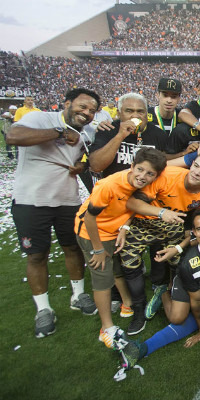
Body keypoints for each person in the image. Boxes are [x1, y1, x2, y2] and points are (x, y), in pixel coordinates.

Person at [8, 87, 101, 338]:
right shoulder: (40, 118)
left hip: (67, 199)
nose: (87, 113)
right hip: (31, 199)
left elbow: (86, 161)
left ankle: (78, 294)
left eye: (92, 111)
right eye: (82, 107)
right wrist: (60, 132)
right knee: (37, 255)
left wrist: (81, 164)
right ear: (67, 103)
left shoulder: (87, 134)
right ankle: (43, 309)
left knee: (72, 248)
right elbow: (13, 136)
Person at [120, 152, 200, 335]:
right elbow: (132, 203)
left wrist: (177, 247)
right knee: (129, 262)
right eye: (196, 166)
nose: (197, 172)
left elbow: (196, 229)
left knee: (178, 262)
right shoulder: (168, 175)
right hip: (143, 222)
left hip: (173, 226)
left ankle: (167, 291)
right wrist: (159, 213)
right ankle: (138, 309)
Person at [75, 148, 167, 348]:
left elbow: (132, 208)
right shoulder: (109, 185)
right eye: (140, 170)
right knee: (102, 278)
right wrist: (98, 249)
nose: (143, 176)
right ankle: (106, 328)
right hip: (93, 233)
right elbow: (89, 218)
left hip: (115, 230)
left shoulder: (144, 187)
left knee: (118, 269)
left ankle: (127, 302)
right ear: (132, 166)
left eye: (150, 173)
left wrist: (124, 227)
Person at [88, 93, 168, 178]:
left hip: (145, 189)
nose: (135, 116)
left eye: (140, 111)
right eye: (129, 111)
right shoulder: (108, 130)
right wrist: (120, 135)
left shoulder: (159, 134)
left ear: (146, 114)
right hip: (115, 187)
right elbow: (96, 166)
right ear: (119, 114)